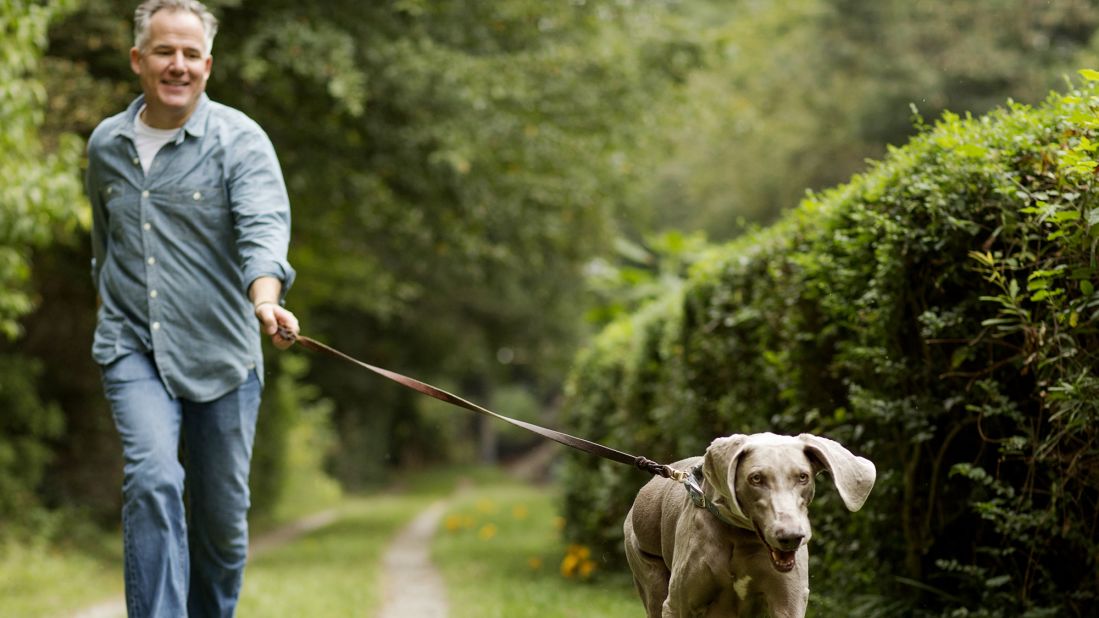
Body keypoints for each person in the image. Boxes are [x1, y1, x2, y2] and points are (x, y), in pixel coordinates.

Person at [85, 1, 299, 615]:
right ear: (138, 60)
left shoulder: (240, 141)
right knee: (152, 479)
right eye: (163, 51)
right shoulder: (106, 145)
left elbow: (263, 230)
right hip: (133, 344)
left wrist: (266, 301)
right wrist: (109, 307)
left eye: (190, 53)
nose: (177, 64)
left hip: (222, 353)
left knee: (221, 530)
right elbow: (105, 245)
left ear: (207, 65)